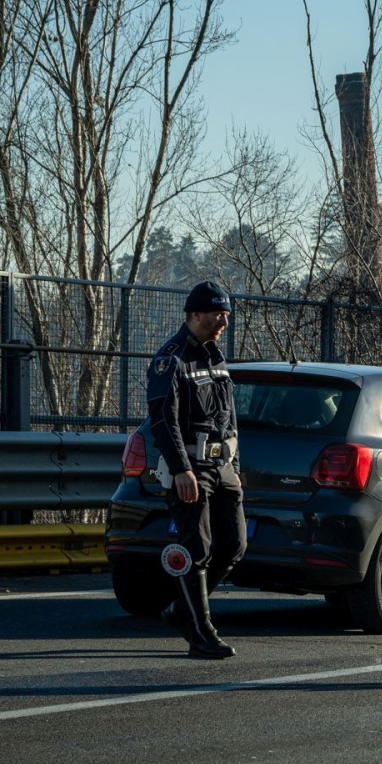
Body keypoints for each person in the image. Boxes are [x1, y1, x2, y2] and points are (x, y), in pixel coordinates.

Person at [146, 280, 246, 659]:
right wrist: (181, 469)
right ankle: (200, 633)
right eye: (217, 314)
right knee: (197, 547)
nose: (223, 320)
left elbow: (229, 419)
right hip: (189, 468)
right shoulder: (171, 359)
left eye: (226, 314)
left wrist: (234, 466)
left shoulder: (215, 358)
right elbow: (162, 421)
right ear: (194, 314)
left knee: (235, 545)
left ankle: (182, 610)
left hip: (221, 467)